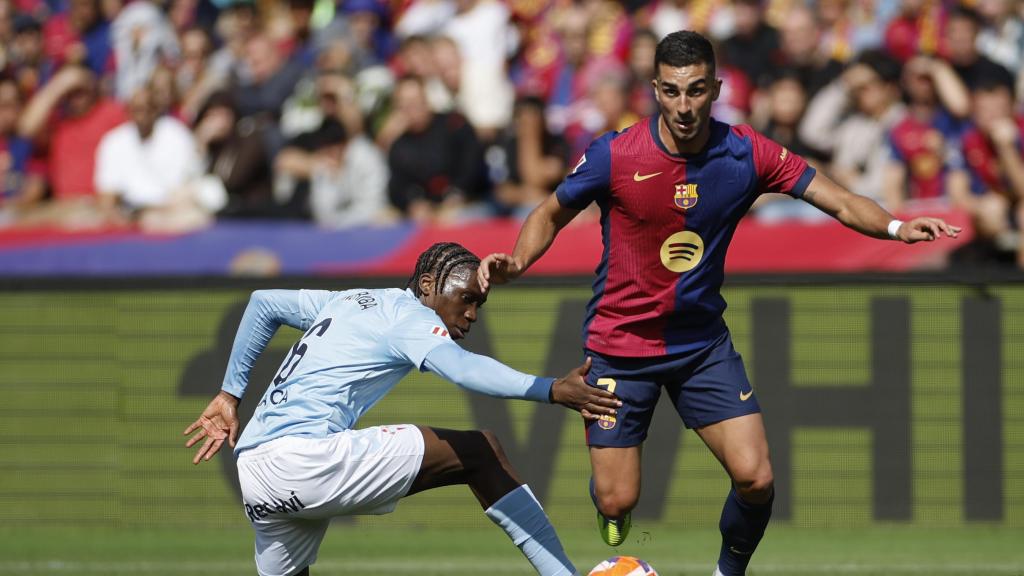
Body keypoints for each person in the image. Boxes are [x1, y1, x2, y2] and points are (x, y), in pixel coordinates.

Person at [477, 31, 960, 576]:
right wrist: (516, 263)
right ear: (655, 90)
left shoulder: (747, 152)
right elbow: (548, 213)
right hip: (620, 346)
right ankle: (610, 507)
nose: (684, 106)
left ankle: (727, 573)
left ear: (717, 89)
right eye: (672, 91)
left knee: (756, 478)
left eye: (697, 91)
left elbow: (842, 201)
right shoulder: (616, 153)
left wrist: (897, 226)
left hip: (701, 345)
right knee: (617, 500)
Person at [183, 242, 621, 576]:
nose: (471, 314)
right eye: (466, 298)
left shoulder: (349, 299)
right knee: (481, 451)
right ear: (428, 286)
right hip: (302, 459)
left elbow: (263, 303)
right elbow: (465, 371)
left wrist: (229, 394)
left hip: (256, 475)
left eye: (479, 305)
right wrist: (551, 390)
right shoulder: (410, 317)